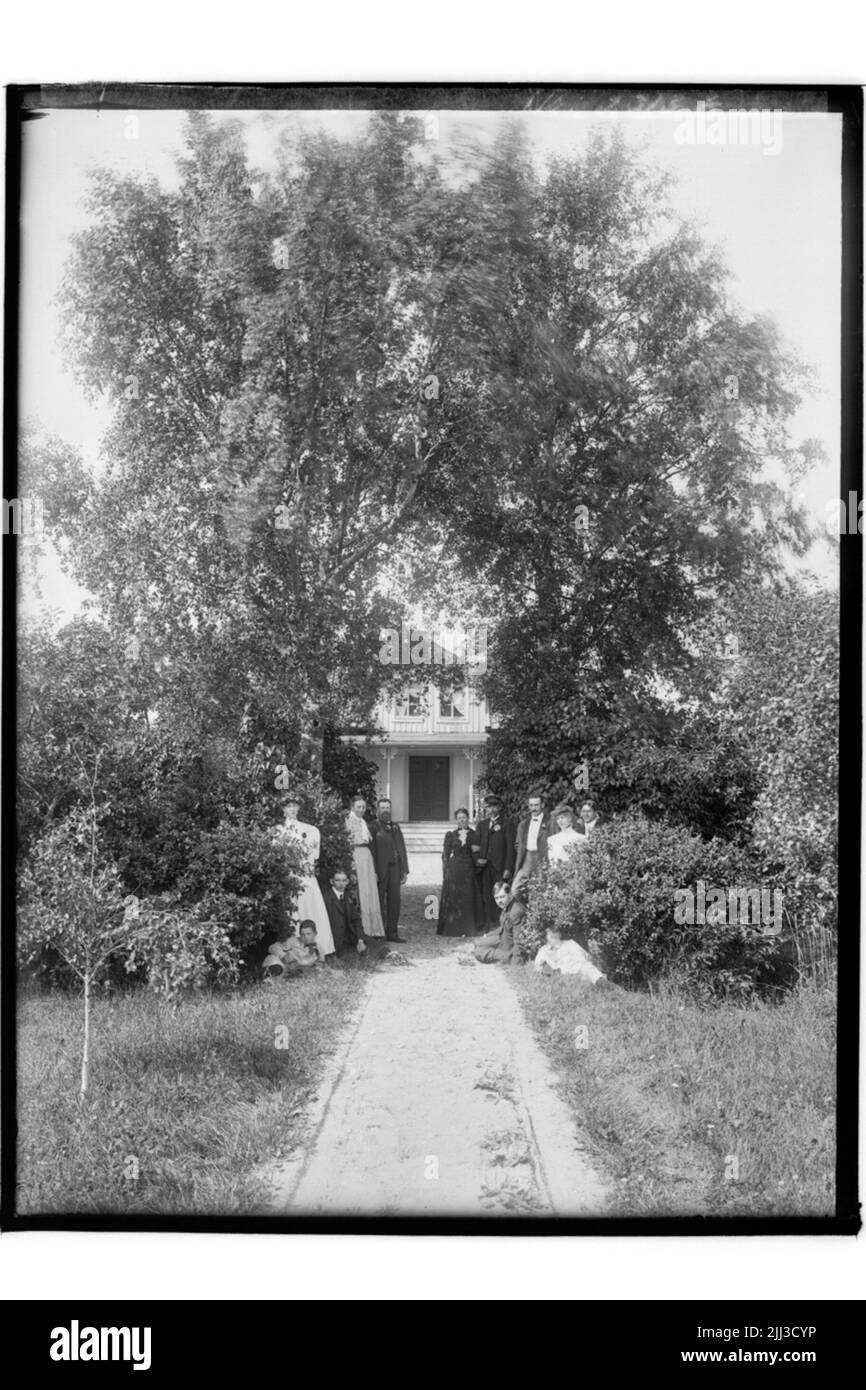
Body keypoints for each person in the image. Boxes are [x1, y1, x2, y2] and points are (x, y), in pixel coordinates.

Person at [274, 797, 336, 957]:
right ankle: (292, 952)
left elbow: (313, 855)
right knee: (291, 913)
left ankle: (317, 949)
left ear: (299, 808)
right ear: (283, 809)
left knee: (309, 908)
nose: (292, 809)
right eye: (288, 806)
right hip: (288, 876)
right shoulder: (278, 831)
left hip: (305, 876)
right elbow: (276, 857)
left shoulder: (311, 830)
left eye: (295, 806)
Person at [437, 807, 482, 937]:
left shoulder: (474, 834)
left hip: (468, 868)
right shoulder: (450, 835)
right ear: (456, 820)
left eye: (464, 817)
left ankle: (468, 928)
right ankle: (453, 928)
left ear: (468, 818)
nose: (462, 820)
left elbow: (476, 853)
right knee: (454, 896)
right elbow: (445, 854)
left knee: (468, 896)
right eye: (459, 818)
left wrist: (478, 866)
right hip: (454, 868)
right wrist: (445, 872)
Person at [345, 795, 386, 938]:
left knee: (370, 891)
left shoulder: (363, 822)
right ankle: (362, 931)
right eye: (358, 807)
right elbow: (346, 846)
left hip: (366, 856)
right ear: (352, 807)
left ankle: (373, 929)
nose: (362, 810)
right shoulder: (348, 822)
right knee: (361, 892)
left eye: (363, 807)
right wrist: (351, 868)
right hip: (356, 856)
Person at [370, 798, 409, 943]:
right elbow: (371, 851)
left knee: (395, 901)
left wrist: (404, 870)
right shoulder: (372, 827)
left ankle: (392, 933)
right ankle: (379, 933)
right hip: (380, 869)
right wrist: (373, 870)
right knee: (379, 901)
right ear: (378, 810)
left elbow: (402, 849)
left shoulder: (396, 827)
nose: (386, 810)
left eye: (388, 807)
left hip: (395, 869)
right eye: (383, 808)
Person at [474, 794, 517, 928]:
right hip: (484, 867)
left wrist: (508, 868)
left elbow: (511, 848)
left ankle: (501, 925)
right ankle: (489, 923)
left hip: (499, 867)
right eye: (489, 807)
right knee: (487, 895)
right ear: (486, 808)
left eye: (494, 807)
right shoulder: (482, 825)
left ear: (499, 808)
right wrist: (477, 860)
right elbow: (475, 846)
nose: (491, 810)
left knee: (501, 896)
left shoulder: (507, 824)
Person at [533, 924, 609, 984]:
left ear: (560, 935)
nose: (554, 938)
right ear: (547, 938)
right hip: (563, 973)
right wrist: (544, 971)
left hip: (580, 969)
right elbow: (537, 965)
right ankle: (605, 984)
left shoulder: (569, 943)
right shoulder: (544, 950)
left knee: (589, 970)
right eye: (551, 936)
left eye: (556, 935)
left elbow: (585, 957)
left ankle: (606, 985)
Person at [474, 880, 526, 964]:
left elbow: (518, 939)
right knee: (477, 942)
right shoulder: (507, 906)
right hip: (502, 938)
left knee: (478, 952)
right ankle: (496, 952)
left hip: (507, 946)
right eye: (496, 898)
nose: (499, 901)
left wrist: (516, 961)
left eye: (502, 897)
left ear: (510, 895)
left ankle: (505, 956)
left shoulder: (516, 912)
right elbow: (502, 928)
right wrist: (487, 935)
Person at [321, 868, 367, 959]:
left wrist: (360, 940)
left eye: (344, 880)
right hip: (332, 939)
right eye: (337, 880)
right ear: (331, 881)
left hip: (348, 937)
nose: (341, 883)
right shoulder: (325, 897)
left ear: (347, 882)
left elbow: (356, 919)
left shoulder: (347, 896)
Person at [513, 793, 550, 885]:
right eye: (531, 805)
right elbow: (517, 844)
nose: (534, 808)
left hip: (542, 858)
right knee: (515, 889)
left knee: (541, 887)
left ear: (542, 805)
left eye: (536, 805)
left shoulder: (550, 822)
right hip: (527, 858)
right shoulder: (523, 824)